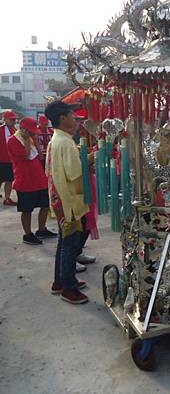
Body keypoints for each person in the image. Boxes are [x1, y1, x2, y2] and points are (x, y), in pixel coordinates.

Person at [45, 100, 94, 304]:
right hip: (69, 200)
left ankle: (61, 280)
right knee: (70, 245)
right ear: (63, 118)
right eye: (73, 116)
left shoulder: (57, 139)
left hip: (62, 197)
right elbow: (75, 172)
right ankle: (68, 288)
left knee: (64, 242)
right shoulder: (64, 142)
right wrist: (92, 158)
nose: (76, 120)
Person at [7, 117, 58, 245]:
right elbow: (26, 156)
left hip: (38, 178)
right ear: (23, 129)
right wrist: (26, 141)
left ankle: (41, 229)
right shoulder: (13, 141)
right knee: (27, 209)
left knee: (45, 205)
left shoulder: (31, 139)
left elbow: (39, 156)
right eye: (30, 131)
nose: (33, 133)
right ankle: (27, 234)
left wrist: (33, 140)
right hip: (25, 179)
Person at [0, 110, 18, 205]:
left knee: (9, 180)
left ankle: (7, 198)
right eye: (11, 119)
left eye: (14, 119)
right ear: (5, 120)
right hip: (1, 159)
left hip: (10, 160)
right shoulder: (1, 130)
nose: (13, 121)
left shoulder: (15, 130)